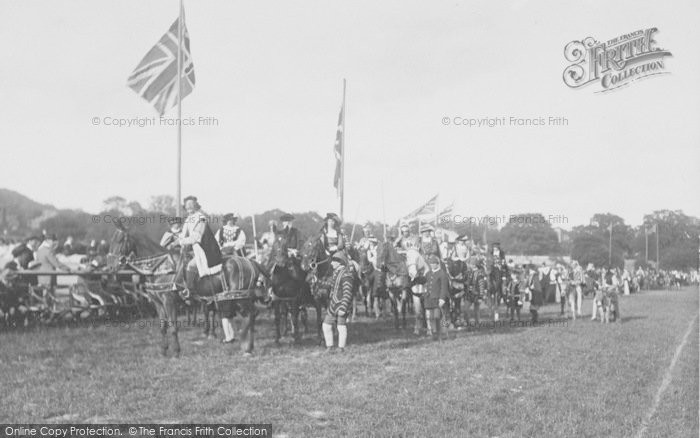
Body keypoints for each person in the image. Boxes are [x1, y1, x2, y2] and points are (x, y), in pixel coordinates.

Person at [177, 196, 223, 293]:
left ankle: (189, 290)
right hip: (196, 250)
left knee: (190, 266)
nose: (189, 207)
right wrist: (175, 240)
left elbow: (196, 237)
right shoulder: (188, 219)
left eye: (191, 204)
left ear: (196, 206)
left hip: (206, 250)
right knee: (179, 263)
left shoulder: (201, 218)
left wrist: (180, 241)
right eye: (187, 205)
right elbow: (183, 234)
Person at [322, 252, 355, 352]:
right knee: (326, 325)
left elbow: (347, 293)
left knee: (341, 326)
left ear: (339, 263)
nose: (331, 263)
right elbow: (330, 284)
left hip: (341, 305)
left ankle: (341, 348)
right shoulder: (336, 273)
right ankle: (330, 347)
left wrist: (343, 307)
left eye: (333, 261)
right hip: (333, 304)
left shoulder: (346, 275)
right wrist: (317, 282)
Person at [423, 254, 450, 341]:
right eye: (430, 264)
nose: (432, 265)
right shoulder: (428, 273)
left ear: (437, 264)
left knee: (439, 316)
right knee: (431, 317)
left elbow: (444, 287)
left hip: (438, 299)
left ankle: (444, 333)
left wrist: (442, 298)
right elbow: (423, 280)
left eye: (433, 263)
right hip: (429, 298)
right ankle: (434, 333)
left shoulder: (442, 273)